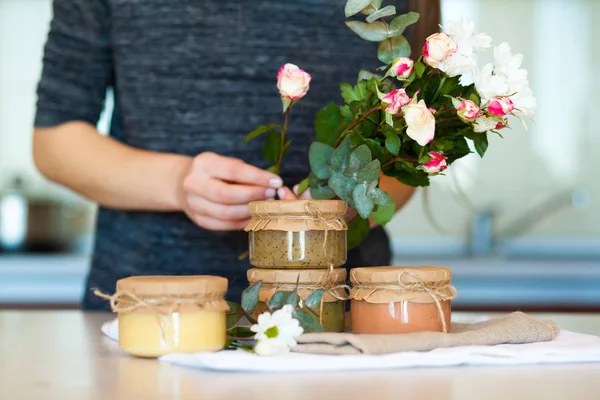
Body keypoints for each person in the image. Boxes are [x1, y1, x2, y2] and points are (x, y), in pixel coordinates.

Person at [33, 1, 416, 310]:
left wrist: (353, 197)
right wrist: (176, 183)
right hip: (153, 311)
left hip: (340, 310)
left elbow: (416, 144)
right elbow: (54, 140)